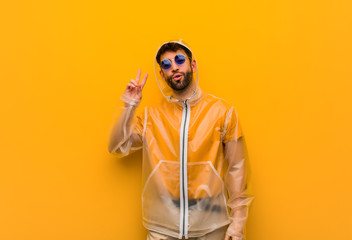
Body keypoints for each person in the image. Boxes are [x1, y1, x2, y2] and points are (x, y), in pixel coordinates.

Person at [108, 40, 254, 240]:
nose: (174, 66)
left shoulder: (223, 113)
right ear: (162, 74)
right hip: (162, 230)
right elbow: (117, 146)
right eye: (166, 64)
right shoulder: (152, 116)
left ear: (192, 65)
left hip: (211, 228)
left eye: (179, 59)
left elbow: (237, 168)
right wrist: (129, 105)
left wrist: (238, 222)